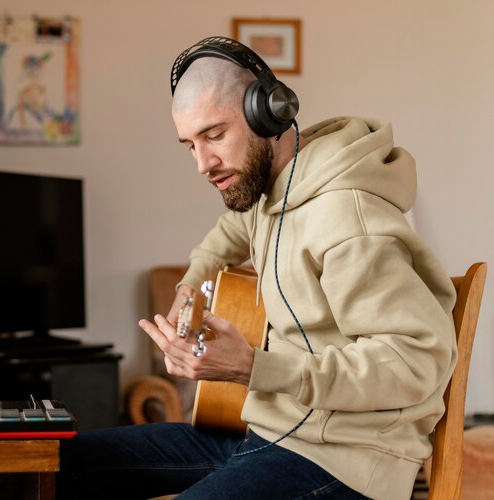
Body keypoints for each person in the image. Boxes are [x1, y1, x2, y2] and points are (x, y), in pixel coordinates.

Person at [57, 36, 457, 500]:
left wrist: (252, 367)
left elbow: (416, 362)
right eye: (189, 144)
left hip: (347, 460)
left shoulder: (350, 220)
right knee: (61, 462)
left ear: (268, 113)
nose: (203, 164)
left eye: (214, 135)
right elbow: (225, 236)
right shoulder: (272, 192)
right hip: (267, 435)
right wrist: (190, 288)